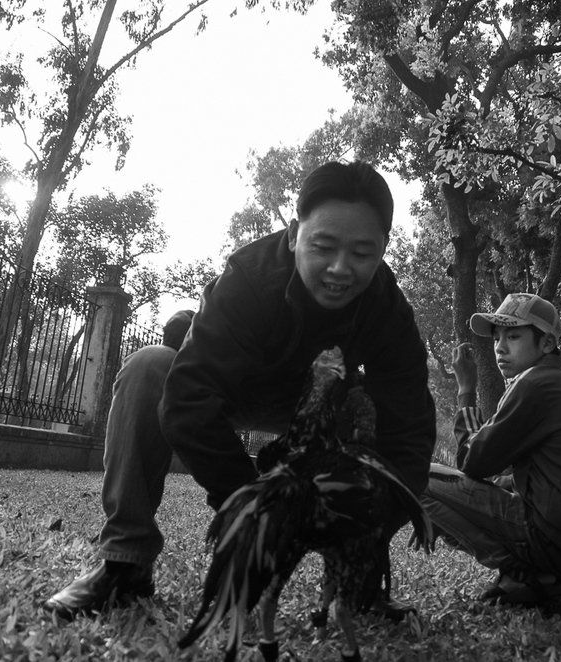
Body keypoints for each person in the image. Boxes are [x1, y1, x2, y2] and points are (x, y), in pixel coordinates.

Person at [43, 160, 437, 619]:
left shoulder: (388, 308)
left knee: (364, 406)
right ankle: (124, 564)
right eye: (324, 246)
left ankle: (355, 581)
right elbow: (188, 400)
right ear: (294, 235)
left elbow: (409, 429)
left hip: (320, 405)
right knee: (149, 368)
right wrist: (255, 509)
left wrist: (371, 526)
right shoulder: (248, 279)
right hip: (234, 388)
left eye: (362, 254)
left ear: (383, 249)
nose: (339, 268)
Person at [420, 293, 561, 610]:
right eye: (497, 337)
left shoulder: (534, 384)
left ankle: (523, 575)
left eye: (514, 336)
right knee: (459, 486)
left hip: (551, 538)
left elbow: (473, 463)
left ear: (546, 344)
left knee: (414, 478)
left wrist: (465, 391)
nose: (500, 346)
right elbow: (538, 478)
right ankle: (553, 578)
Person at [42, 308, 194, 616]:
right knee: (150, 361)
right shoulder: (259, 267)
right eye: (319, 253)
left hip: (299, 376)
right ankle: (128, 563)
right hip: (236, 369)